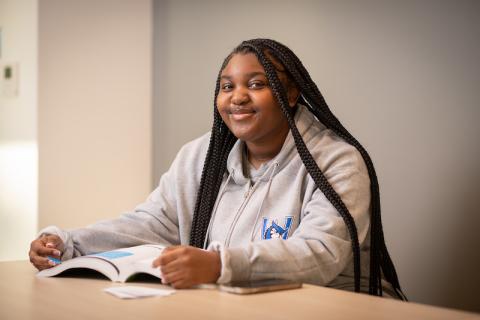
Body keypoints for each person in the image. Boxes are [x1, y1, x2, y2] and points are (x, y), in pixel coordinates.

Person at [29, 38, 405, 299]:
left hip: (331, 307)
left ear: (290, 94)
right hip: (238, 304)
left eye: (256, 84)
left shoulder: (336, 161)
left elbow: (320, 254)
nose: (237, 96)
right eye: (227, 86)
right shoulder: (201, 156)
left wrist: (218, 264)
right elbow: (151, 221)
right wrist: (69, 241)